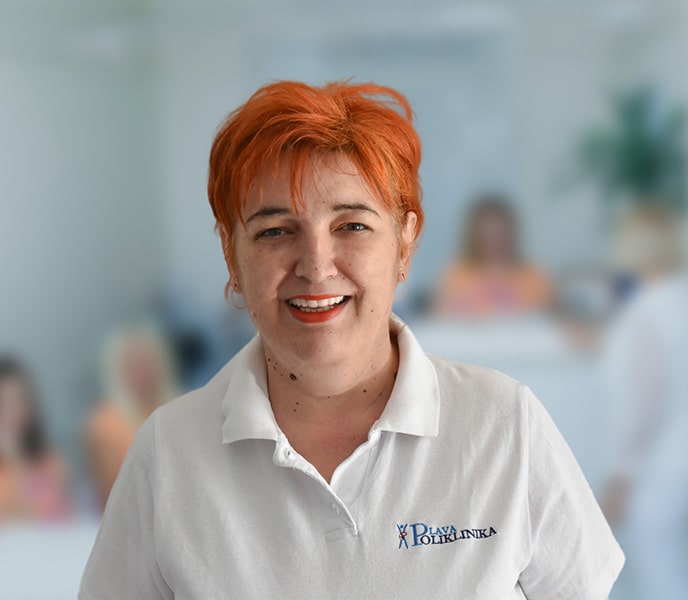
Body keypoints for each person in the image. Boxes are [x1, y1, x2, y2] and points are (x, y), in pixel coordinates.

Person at [80, 80, 623, 599]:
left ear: (405, 243)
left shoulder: (504, 424)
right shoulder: (168, 453)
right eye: (274, 231)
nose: (316, 266)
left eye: (352, 226)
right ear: (231, 254)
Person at [601, 206, 688, 599]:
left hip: (662, 466)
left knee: (661, 578)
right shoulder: (678, 302)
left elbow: (643, 402)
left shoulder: (644, 312)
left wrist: (621, 477)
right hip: (676, 461)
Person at [84, 325, 177, 510]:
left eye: (147, 362)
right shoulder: (104, 425)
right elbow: (112, 495)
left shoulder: (176, 406)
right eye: (133, 364)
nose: (143, 371)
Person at [433, 196, 553, 318]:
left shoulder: (533, 276)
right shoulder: (454, 276)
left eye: (499, 232)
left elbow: (548, 318)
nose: (493, 239)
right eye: (487, 232)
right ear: (474, 236)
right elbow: (440, 319)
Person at [0, 357, 72, 522]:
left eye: (20, 400)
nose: (14, 412)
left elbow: (63, 522)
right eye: (3, 404)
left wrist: (18, 463)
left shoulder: (51, 462)